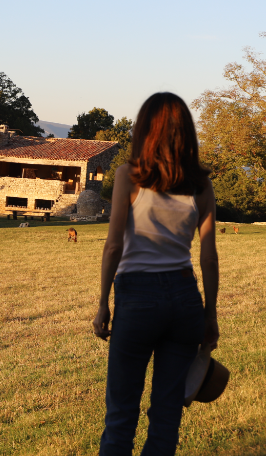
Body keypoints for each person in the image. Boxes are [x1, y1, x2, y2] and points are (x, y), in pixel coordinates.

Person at [93, 92, 219, 455]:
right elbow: (208, 258)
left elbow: (114, 245)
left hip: (137, 299)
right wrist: (209, 315)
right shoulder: (201, 185)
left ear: (145, 130)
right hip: (185, 301)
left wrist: (103, 304)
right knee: (166, 419)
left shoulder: (128, 177)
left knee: (120, 417)